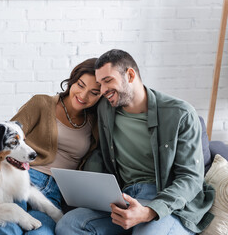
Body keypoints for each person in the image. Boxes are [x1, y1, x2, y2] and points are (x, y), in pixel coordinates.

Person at [55, 49, 215, 235]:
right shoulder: (105, 109)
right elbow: (73, 103)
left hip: (166, 203)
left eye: (108, 81)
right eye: (100, 84)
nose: (103, 90)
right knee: (69, 224)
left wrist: (149, 212)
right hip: (124, 197)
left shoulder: (180, 114)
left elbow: (191, 179)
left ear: (130, 75)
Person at [0, 58, 102, 235]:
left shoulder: (95, 122)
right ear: (72, 81)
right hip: (20, 178)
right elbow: (5, 133)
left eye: (94, 92)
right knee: (6, 229)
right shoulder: (42, 104)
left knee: (41, 233)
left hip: (52, 193)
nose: (83, 95)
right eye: (80, 85)